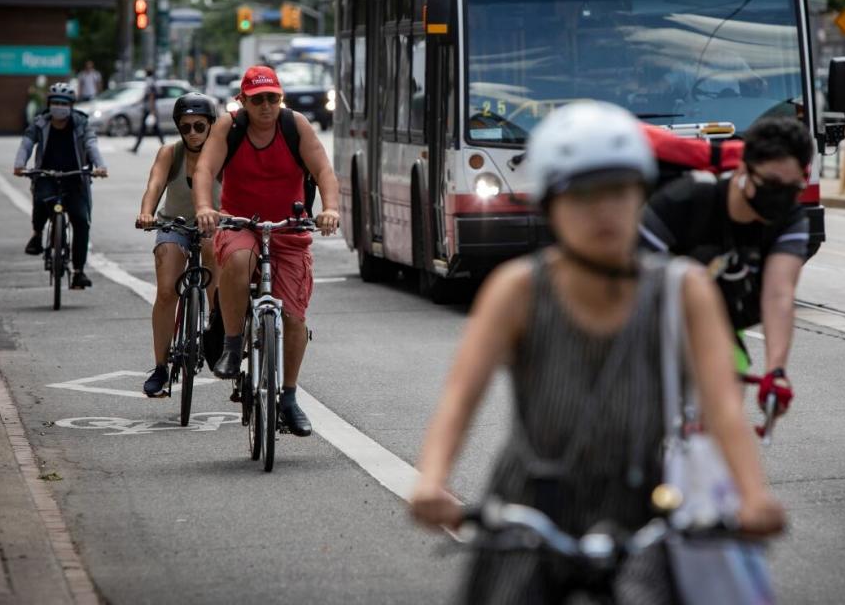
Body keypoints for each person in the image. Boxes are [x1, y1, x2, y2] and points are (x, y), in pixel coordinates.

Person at [410, 102, 785, 603]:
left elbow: (722, 408)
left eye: (620, 190)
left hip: (648, 515)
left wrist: (753, 496)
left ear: (642, 194)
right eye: (583, 195)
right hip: (529, 515)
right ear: (550, 204)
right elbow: (460, 396)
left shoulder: (683, 290)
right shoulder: (519, 290)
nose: (604, 210)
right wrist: (433, 481)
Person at [192, 65, 341, 436]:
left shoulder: (295, 126)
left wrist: (330, 208)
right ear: (242, 101)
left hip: (288, 227)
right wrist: (204, 209)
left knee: (293, 316)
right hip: (239, 222)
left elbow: (323, 170)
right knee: (239, 259)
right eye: (257, 100)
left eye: (272, 98)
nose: (265, 107)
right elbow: (204, 171)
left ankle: (288, 397)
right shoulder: (230, 127)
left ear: (280, 99)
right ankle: (230, 343)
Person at [640, 117, 811, 418]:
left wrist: (776, 371)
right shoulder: (684, 199)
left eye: (792, 187)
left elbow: (779, 295)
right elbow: (625, 283)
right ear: (743, 169)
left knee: (721, 420)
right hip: (652, 318)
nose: (780, 197)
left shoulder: (791, 217)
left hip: (721, 325)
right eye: (771, 184)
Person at [136, 93, 222, 397]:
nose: (193, 133)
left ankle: (217, 326)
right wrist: (146, 212)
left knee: (213, 251)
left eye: (199, 126)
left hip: (216, 225)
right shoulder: (170, 153)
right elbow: (155, 185)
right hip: (175, 224)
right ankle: (160, 368)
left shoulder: (224, 153)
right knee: (166, 289)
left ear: (212, 125)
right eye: (185, 127)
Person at [13, 83, 109, 289]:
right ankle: (37, 235)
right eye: (55, 103)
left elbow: (91, 144)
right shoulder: (40, 123)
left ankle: (78, 272)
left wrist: (100, 166)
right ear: (49, 105)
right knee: (41, 201)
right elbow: (26, 144)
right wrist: (19, 164)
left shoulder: (81, 123)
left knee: (81, 220)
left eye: (64, 103)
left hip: (75, 178)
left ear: (72, 106)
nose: (59, 107)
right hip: (47, 176)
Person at [131, 69, 163, 152]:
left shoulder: (149, 81)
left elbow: (151, 96)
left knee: (147, 128)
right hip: (150, 108)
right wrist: (138, 102)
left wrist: (152, 110)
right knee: (153, 128)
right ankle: (136, 147)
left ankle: (136, 147)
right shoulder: (153, 81)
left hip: (149, 109)